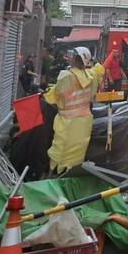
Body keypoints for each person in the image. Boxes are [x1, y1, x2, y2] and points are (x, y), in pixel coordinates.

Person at [44, 46, 98, 175]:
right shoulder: (91, 76)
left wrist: (48, 94)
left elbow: (57, 96)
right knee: (77, 152)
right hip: (84, 121)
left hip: (67, 121)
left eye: (72, 55)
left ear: (76, 58)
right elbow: (92, 92)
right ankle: (70, 174)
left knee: (60, 150)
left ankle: (55, 173)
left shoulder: (66, 76)